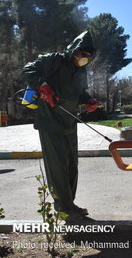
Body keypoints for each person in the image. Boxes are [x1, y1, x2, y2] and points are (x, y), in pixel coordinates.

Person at [21, 31, 98, 220]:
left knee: (72, 164)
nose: (84, 59)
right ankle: (62, 208)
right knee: (57, 166)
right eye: (82, 54)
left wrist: (89, 101)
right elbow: (28, 69)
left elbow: (80, 92)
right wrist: (43, 85)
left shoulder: (80, 70)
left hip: (69, 122)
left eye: (88, 56)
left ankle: (69, 203)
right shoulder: (55, 60)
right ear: (74, 49)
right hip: (49, 121)